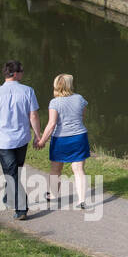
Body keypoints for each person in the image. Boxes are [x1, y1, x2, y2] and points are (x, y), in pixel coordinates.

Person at [38, 74, 91, 210]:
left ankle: (54, 195)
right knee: (78, 169)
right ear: (69, 85)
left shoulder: (54, 102)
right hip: (79, 137)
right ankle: (81, 201)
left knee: (56, 168)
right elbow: (83, 116)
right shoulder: (80, 99)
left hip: (60, 139)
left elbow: (52, 124)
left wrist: (42, 140)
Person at [0, 60, 39, 220]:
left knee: (13, 172)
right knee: (14, 172)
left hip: (4, 140)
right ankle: (22, 208)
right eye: (21, 71)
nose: (23, 73)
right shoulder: (28, 91)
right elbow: (34, 115)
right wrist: (38, 135)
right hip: (21, 139)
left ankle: (10, 196)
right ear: (15, 74)